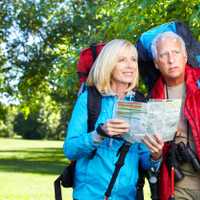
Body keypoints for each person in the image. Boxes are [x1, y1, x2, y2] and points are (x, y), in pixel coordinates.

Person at [63, 39, 163, 200]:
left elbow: (144, 162)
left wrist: (155, 156)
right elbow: (70, 150)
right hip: (90, 196)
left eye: (133, 60)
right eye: (122, 60)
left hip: (128, 196)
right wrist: (99, 133)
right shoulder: (89, 99)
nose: (130, 65)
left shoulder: (140, 103)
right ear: (108, 64)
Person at [150, 31, 200, 200]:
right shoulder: (153, 98)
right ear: (157, 63)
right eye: (164, 55)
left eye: (176, 53)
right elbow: (151, 158)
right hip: (177, 186)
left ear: (185, 56)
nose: (171, 60)